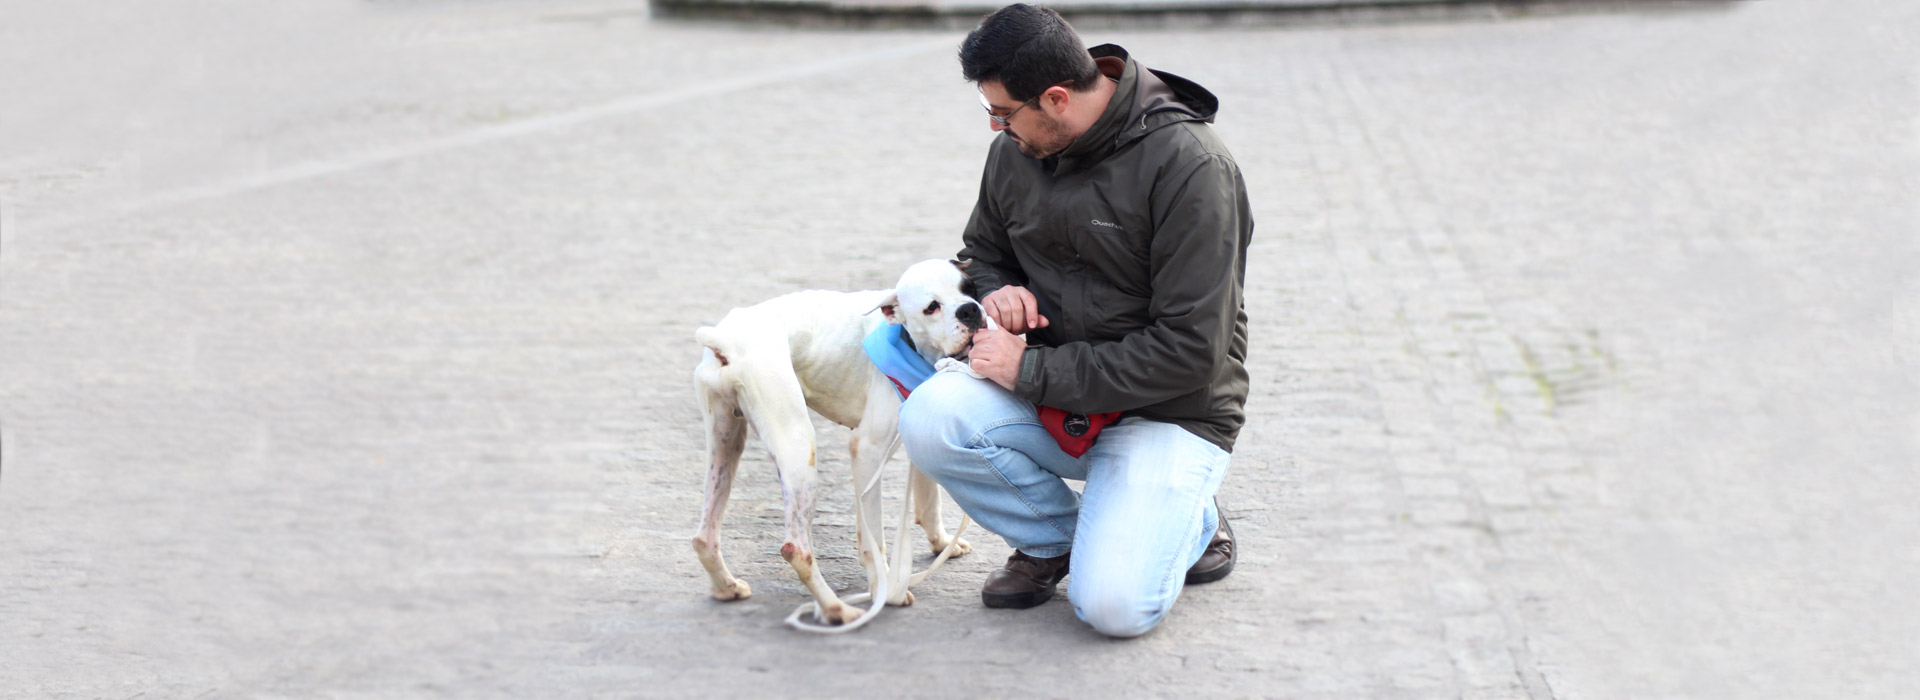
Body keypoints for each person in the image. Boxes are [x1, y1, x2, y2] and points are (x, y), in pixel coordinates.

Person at [897, 3, 1253, 638]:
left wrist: (1029, 368)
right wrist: (1000, 286)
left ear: (1056, 98)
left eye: (1003, 113)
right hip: (1055, 398)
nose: (994, 128)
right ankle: (1055, 539)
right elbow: (983, 247)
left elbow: (1190, 351)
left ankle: (1188, 515)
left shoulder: (1192, 166)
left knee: (1114, 610)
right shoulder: (1017, 149)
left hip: (1168, 410)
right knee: (930, 416)